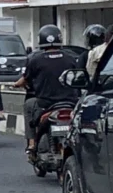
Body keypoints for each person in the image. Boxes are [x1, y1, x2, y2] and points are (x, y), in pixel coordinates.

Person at [12, 24, 80, 161]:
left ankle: (31, 144)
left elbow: (25, 79)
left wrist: (16, 85)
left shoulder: (35, 59)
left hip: (46, 103)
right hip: (71, 102)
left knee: (28, 106)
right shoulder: (71, 58)